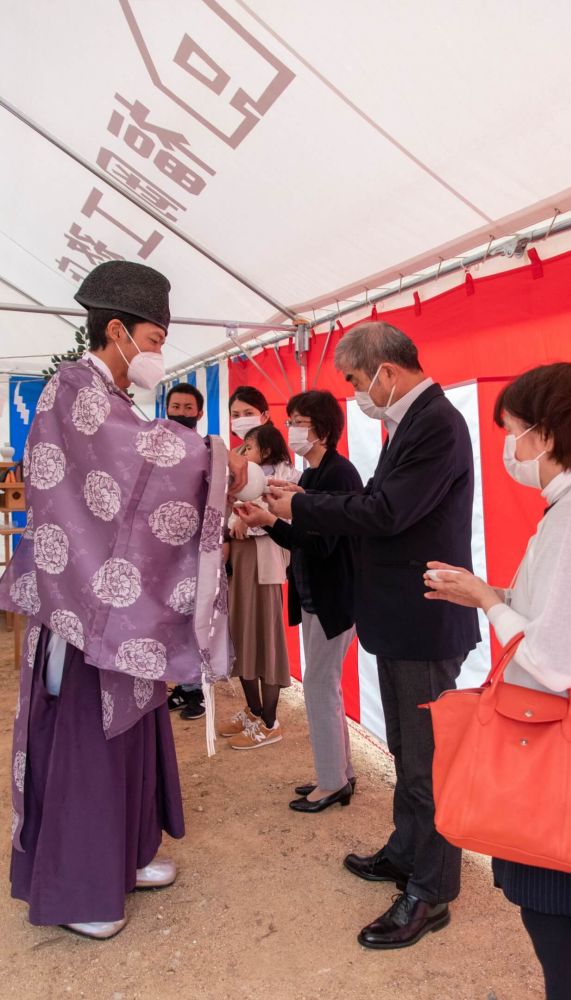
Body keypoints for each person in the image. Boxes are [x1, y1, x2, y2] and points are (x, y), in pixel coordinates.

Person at [1, 261, 238, 940]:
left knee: (129, 734)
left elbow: (139, 477)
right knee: (85, 742)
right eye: (154, 336)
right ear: (116, 330)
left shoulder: (104, 397)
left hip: (106, 603)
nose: (159, 352)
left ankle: (125, 858)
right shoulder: (73, 391)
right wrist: (221, 460)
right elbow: (138, 466)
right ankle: (80, 888)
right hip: (81, 610)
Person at [424, 362, 571, 1000]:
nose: (509, 445)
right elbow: (566, 612)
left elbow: (555, 656)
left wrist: (488, 599)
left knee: (555, 918)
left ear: (547, 434)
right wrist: (486, 596)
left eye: (512, 431)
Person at [267, 322, 480, 948]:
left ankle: (432, 890)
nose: (357, 393)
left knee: (428, 765)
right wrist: (299, 500)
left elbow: (386, 513)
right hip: (400, 615)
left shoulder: (436, 423)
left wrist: (297, 506)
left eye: (356, 381)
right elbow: (381, 506)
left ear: (385, 369)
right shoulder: (410, 422)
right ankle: (406, 852)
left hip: (424, 618)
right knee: (409, 756)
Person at [236, 390, 363, 812]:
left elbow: (322, 544)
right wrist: (276, 516)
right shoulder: (312, 475)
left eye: (299, 421)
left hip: (333, 598)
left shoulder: (339, 474)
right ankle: (338, 773)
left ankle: (332, 781)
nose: (291, 428)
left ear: (322, 429)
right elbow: (300, 540)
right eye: (289, 419)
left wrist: (278, 516)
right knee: (324, 686)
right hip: (315, 596)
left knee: (320, 688)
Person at [220, 423, 300, 749]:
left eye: (248, 446)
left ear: (266, 449)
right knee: (241, 637)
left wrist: (245, 518)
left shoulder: (288, 477)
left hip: (263, 567)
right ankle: (253, 712)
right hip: (238, 566)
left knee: (264, 639)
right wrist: (231, 518)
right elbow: (223, 511)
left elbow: (284, 518)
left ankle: (270, 721)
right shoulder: (238, 477)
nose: (242, 452)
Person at [165, 382, 206, 721]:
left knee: (190, 618)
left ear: (199, 413)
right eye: (175, 407)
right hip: (160, 549)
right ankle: (180, 684)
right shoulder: (153, 450)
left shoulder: (205, 451)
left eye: (187, 408)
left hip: (193, 550)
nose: (180, 413)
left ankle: (194, 690)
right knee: (165, 616)